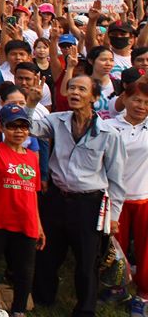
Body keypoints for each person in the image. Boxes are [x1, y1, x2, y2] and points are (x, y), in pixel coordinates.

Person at [30, 74, 127, 317]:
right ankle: (43, 298)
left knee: (86, 259)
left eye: (81, 89)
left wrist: (114, 215)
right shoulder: (56, 121)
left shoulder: (109, 133)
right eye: (71, 88)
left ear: (94, 97)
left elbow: (116, 178)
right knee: (48, 253)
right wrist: (30, 104)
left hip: (89, 203)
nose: (74, 93)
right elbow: (28, 128)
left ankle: (85, 309)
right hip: (57, 198)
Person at [0, 103, 44, 317]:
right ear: (2, 128)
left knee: (24, 272)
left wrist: (39, 225)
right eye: (13, 126)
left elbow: (34, 194)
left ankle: (19, 310)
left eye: (23, 126)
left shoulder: (32, 157)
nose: (19, 131)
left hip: (26, 222)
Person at [105, 80, 148, 315]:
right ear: (126, 99)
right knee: (114, 248)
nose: (141, 106)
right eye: (136, 100)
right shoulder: (109, 125)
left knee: (145, 250)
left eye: (146, 102)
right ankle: (116, 287)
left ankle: (144, 294)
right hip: (115, 199)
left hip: (144, 198)